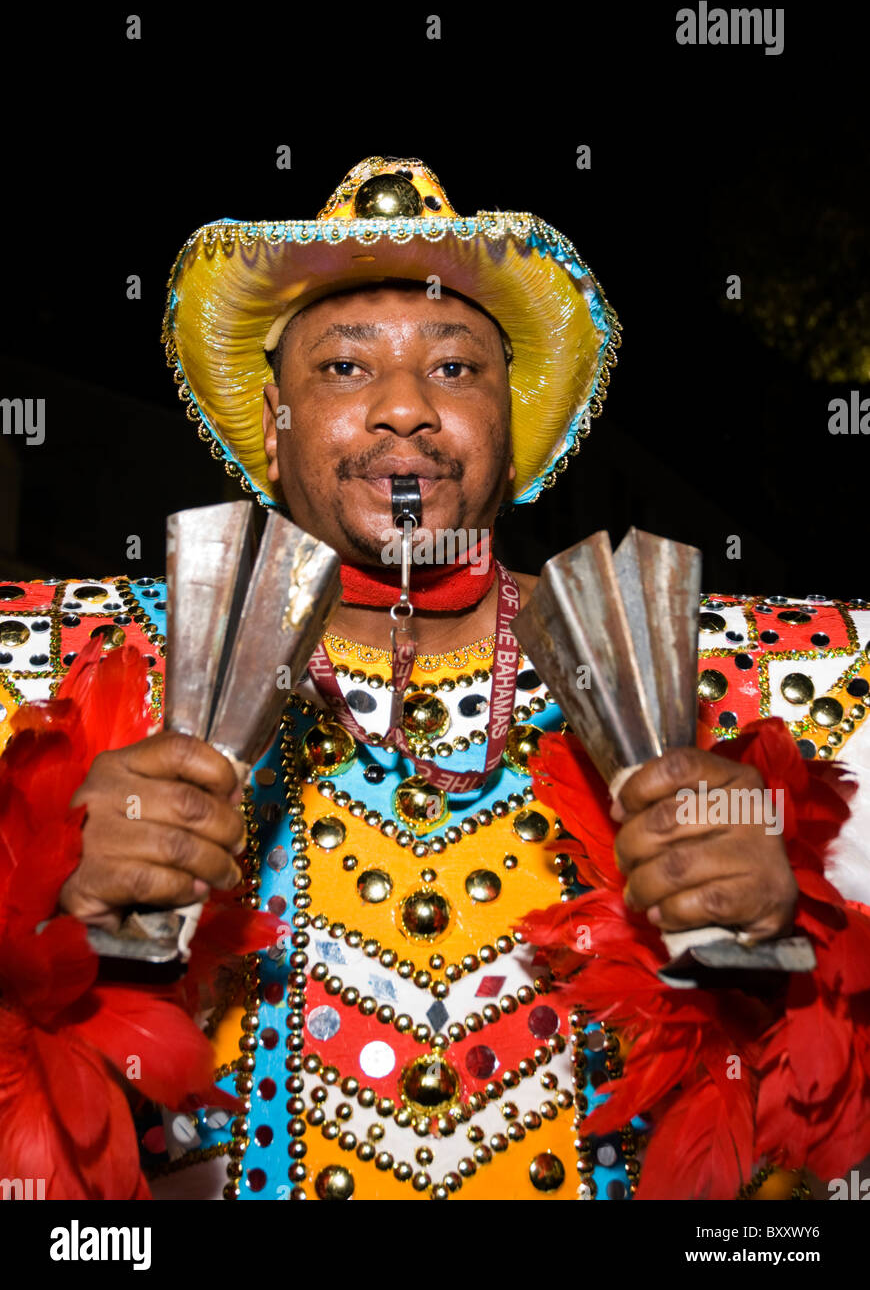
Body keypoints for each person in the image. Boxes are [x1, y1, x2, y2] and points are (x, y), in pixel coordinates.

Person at [1, 156, 868, 1202]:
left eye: (456, 369)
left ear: (509, 434)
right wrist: (32, 903)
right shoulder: (73, 665)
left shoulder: (736, 681)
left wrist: (801, 930)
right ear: (274, 427)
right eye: (346, 368)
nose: (406, 409)